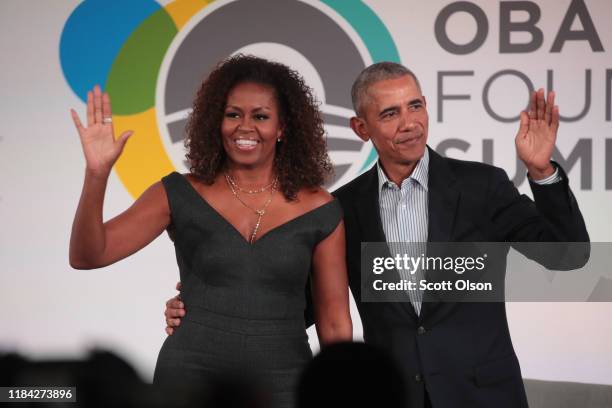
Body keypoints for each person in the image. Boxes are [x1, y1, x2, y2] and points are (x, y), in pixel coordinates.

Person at [167, 62, 591, 407]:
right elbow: (297, 310)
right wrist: (205, 305)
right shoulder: (341, 208)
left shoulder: (482, 187)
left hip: (481, 396)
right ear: (360, 128)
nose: (409, 124)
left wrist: (541, 171)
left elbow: (567, 257)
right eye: (390, 114)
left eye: (415, 106)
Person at [69, 55, 352, 408]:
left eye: (260, 116)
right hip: (189, 379)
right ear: (215, 122)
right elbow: (87, 255)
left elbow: (335, 324)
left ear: (283, 128)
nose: (244, 127)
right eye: (233, 114)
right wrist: (97, 173)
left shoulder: (319, 209)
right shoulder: (179, 193)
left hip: (285, 383)